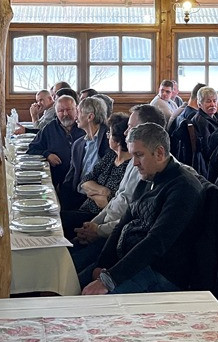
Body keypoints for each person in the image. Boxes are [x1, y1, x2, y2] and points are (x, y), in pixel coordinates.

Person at [83, 122, 204, 295]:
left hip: (161, 272)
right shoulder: (148, 179)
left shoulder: (184, 188)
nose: (134, 163)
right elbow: (122, 224)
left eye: (139, 155)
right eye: (133, 155)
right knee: (71, 282)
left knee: (88, 298)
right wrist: (102, 264)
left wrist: (109, 279)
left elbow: (156, 243)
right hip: (131, 259)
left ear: (159, 153)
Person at [71, 104, 167, 280]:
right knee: (65, 260)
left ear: (146, 130)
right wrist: (92, 225)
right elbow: (117, 198)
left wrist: (98, 231)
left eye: (130, 127)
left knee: (72, 275)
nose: (125, 132)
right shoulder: (134, 161)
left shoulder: (150, 169)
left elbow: (135, 222)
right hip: (104, 230)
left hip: (117, 239)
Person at [61, 112, 129, 234]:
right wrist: (103, 192)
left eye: (109, 134)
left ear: (118, 141)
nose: (107, 137)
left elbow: (109, 204)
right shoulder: (110, 156)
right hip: (84, 209)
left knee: (58, 221)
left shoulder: (129, 166)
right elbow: (85, 181)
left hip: (100, 219)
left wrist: (92, 193)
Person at [61, 95, 111, 210]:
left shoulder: (109, 141)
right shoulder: (78, 144)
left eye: (78, 112)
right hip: (78, 198)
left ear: (90, 117)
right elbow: (71, 177)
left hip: (99, 201)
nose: (75, 117)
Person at [26, 94, 84, 189]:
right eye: (61, 111)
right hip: (58, 179)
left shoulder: (84, 127)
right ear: (56, 112)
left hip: (82, 178)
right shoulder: (49, 128)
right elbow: (32, 149)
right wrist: (47, 154)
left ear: (76, 109)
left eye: (69, 109)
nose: (65, 114)